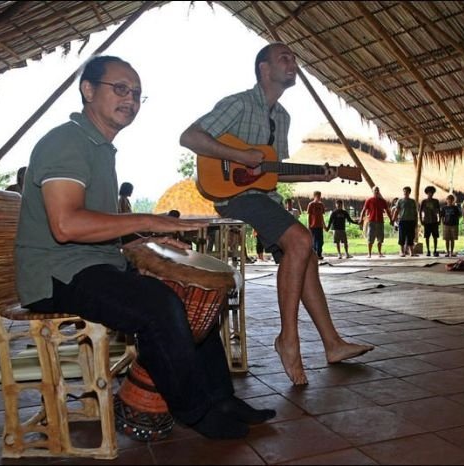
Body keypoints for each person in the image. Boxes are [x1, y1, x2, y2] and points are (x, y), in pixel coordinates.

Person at [15, 55, 274, 440]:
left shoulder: (99, 146)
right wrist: (145, 220)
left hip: (88, 264)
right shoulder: (66, 142)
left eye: (136, 93)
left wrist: (142, 239)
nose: (130, 99)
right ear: (88, 90)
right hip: (54, 275)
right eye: (119, 89)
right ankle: (197, 412)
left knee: (191, 294)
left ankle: (221, 398)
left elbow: (93, 224)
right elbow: (66, 225)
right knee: (159, 305)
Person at [179, 42, 373, 385]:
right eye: (285, 58)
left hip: (263, 196)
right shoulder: (238, 104)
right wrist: (237, 155)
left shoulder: (281, 117)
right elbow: (190, 137)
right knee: (300, 240)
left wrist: (317, 175)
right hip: (233, 196)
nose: (293, 63)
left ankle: (332, 344)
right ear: (263, 69)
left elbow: (271, 171)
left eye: (295, 59)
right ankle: (288, 339)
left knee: (306, 255)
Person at [360, 186, 393, 258]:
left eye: (378, 190)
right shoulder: (369, 200)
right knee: (370, 238)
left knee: (380, 238)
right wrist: (361, 219)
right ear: (373, 191)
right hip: (372, 221)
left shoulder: (383, 201)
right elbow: (364, 210)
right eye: (375, 190)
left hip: (380, 222)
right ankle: (369, 253)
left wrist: (391, 219)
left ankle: (380, 253)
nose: (376, 191)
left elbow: (387, 211)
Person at [393, 186, 418, 257]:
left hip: (411, 221)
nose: (405, 193)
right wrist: (393, 219)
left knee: (411, 236)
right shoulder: (400, 201)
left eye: (407, 191)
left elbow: (415, 213)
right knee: (402, 237)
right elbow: (396, 211)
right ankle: (402, 252)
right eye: (404, 191)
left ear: (409, 192)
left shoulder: (412, 201)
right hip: (402, 221)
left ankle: (411, 252)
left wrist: (416, 222)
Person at [419, 185, 440, 257]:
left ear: (433, 193)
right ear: (427, 193)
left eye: (432, 192)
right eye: (429, 192)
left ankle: (435, 250)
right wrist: (421, 220)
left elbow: (439, 211)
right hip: (426, 221)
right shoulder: (424, 201)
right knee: (427, 237)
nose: (430, 194)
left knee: (435, 237)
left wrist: (439, 219)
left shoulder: (436, 201)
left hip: (434, 221)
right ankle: (428, 250)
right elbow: (420, 211)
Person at [306, 190, 326, 259]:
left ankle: (319, 254)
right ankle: (314, 255)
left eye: (320, 196)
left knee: (320, 241)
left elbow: (322, 216)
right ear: (314, 196)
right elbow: (308, 215)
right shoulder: (311, 204)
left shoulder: (321, 205)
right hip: (313, 226)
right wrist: (308, 225)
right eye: (318, 196)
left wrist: (324, 225)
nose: (319, 197)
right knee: (314, 241)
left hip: (320, 225)